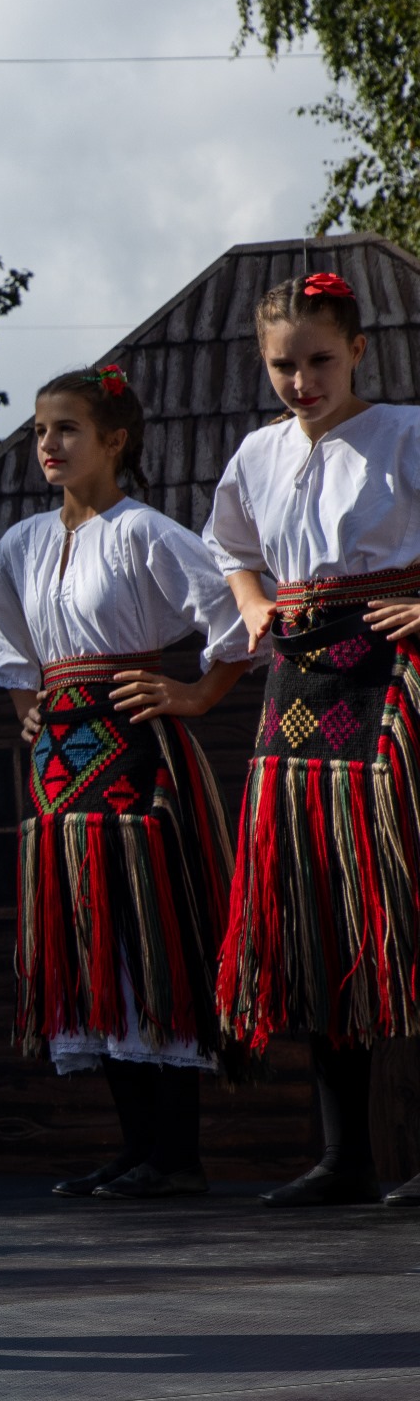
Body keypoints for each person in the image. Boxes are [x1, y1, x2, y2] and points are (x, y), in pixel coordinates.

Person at [0, 365, 252, 1201]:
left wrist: (197, 693)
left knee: (148, 939)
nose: (49, 445)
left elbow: (236, 614)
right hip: (60, 769)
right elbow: (7, 642)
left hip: (135, 756)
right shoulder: (21, 543)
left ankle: (177, 1155)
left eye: (66, 429)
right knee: (89, 944)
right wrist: (29, 706)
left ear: (114, 440)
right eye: (39, 432)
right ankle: (137, 1148)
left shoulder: (145, 532)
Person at [206, 271, 420, 1208]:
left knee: (406, 907)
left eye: (320, 360)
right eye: (283, 365)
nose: (302, 381)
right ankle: (346, 1159)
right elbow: (231, 548)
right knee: (313, 909)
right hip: (296, 691)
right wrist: (252, 602)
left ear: (360, 350)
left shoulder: (408, 434)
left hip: (398, 687)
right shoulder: (256, 453)